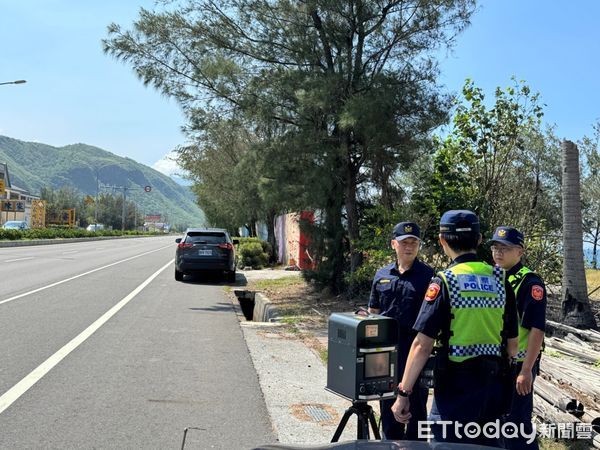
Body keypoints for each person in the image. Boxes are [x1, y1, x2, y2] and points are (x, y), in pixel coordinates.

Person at [391, 210, 518, 447]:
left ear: (442, 240)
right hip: (493, 389)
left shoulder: (446, 281)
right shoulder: (500, 280)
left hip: (455, 391)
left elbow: (422, 345)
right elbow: (512, 347)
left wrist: (404, 393)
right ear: (479, 240)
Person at [367, 221, 434, 440]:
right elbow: (373, 311)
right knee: (388, 407)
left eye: (414, 242)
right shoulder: (382, 274)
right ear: (393, 244)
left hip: (415, 351)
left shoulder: (428, 276)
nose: (410, 246)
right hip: (385, 352)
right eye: (405, 242)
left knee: (416, 410)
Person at [490, 226, 546, 450]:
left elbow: (537, 330)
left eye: (506, 248)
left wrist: (525, 371)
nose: (499, 253)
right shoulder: (492, 277)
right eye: (495, 247)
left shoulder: (529, 283)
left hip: (520, 363)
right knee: (497, 420)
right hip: (498, 361)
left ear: (520, 252)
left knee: (517, 422)